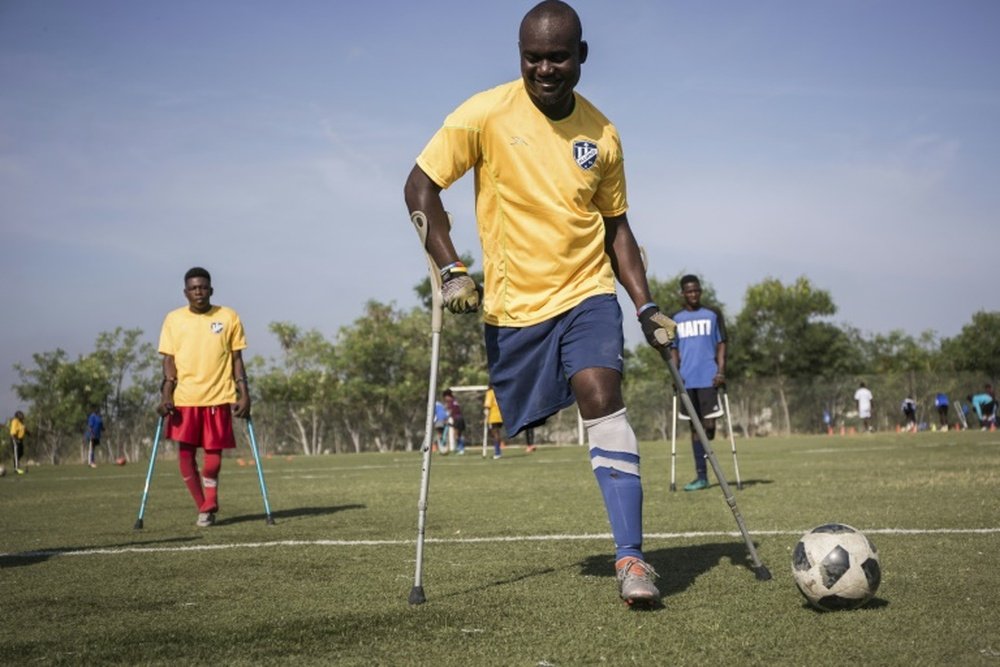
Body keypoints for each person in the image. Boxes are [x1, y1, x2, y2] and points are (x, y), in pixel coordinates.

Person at [403, 0, 676, 606]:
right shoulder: (484, 114)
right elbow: (420, 185)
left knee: (603, 395)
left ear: (581, 56)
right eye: (533, 57)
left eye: (558, 56)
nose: (545, 69)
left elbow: (617, 228)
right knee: (538, 408)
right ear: (519, 57)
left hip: (587, 292)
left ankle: (631, 559)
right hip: (514, 307)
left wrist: (646, 305)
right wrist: (451, 268)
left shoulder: (602, 134)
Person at [158, 267, 250, 527]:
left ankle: (209, 499)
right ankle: (204, 507)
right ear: (185, 292)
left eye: (203, 287)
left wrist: (244, 394)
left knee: (213, 459)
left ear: (211, 289)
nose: (199, 292)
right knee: (185, 456)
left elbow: (237, 359)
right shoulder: (173, 319)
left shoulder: (228, 316)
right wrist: (167, 394)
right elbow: (169, 360)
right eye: (193, 288)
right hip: (185, 398)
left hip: (219, 395)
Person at [669, 275, 726, 492]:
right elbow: (673, 348)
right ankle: (701, 476)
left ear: (700, 291)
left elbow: (722, 343)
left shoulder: (713, 314)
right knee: (695, 428)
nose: (693, 294)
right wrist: (675, 373)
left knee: (708, 427)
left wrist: (721, 371)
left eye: (696, 291)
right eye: (689, 291)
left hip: (708, 377)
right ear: (683, 293)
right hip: (687, 379)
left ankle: (706, 453)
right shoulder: (675, 318)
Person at [441, 389, 466, 455]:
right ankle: (460, 448)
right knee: (458, 435)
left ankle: (461, 449)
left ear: (447, 396)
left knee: (456, 435)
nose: (445, 399)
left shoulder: (451, 402)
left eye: (445, 397)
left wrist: (446, 419)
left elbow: (450, 411)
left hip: (457, 419)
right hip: (460, 418)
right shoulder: (454, 400)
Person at [483, 385, 505, 459]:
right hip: (500, 416)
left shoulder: (490, 392)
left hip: (493, 416)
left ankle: (497, 452)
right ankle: (498, 450)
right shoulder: (499, 392)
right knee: (497, 433)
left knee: (495, 434)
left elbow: (487, 405)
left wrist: (486, 415)